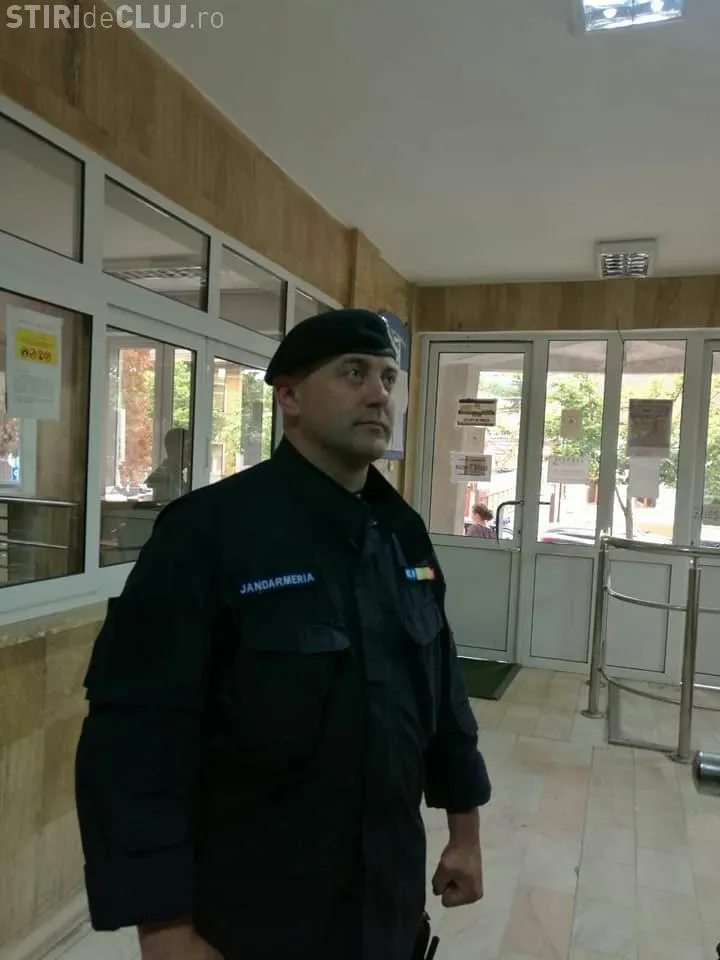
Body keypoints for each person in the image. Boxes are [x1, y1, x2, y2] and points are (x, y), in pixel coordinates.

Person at [75, 308, 491, 960]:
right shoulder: (208, 533)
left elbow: (443, 696)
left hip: (387, 907)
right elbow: (135, 738)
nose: (379, 394)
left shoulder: (402, 534)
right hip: (257, 917)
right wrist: (163, 927)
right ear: (289, 397)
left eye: (389, 377)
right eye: (353, 373)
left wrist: (465, 832)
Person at [145, 427, 191, 502]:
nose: (190, 452)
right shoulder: (163, 476)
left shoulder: (175, 474)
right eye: (187, 446)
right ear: (174, 449)